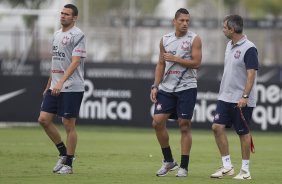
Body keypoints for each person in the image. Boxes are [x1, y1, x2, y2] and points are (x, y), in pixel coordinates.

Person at [150, 8, 202, 177]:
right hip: (167, 88)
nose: (185, 23)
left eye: (187, 20)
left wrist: (176, 59)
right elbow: (160, 64)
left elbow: (196, 63)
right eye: (182, 20)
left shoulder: (194, 39)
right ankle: (169, 161)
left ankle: (184, 167)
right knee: (157, 122)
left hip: (187, 87)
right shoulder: (165, 40)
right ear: (174, 21)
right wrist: (155, 86)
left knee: (184, 125)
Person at [38, 4, 86, 174]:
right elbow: (55, 62)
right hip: (54, 86)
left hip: (72, 87)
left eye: (67, 14)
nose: (63, 16)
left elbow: (75, 62)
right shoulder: (57, 34)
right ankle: (63, 154)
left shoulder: (78, 35)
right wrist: (50, 83)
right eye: (62, 13)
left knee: (68, 124)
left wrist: (61, 83)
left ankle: (69, 166)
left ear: (74, 18)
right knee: (43, 119)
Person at [210, 15, 258, 180]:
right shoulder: (228, 45)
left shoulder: (250, 48)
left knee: (243, 133)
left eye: (224, 27)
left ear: (232, 29)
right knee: (217, 127)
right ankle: (227, 166)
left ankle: (245, 171)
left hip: (241, 99)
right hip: (225, 97)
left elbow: (251, 75)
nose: (223, 30)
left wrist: (245, 96)